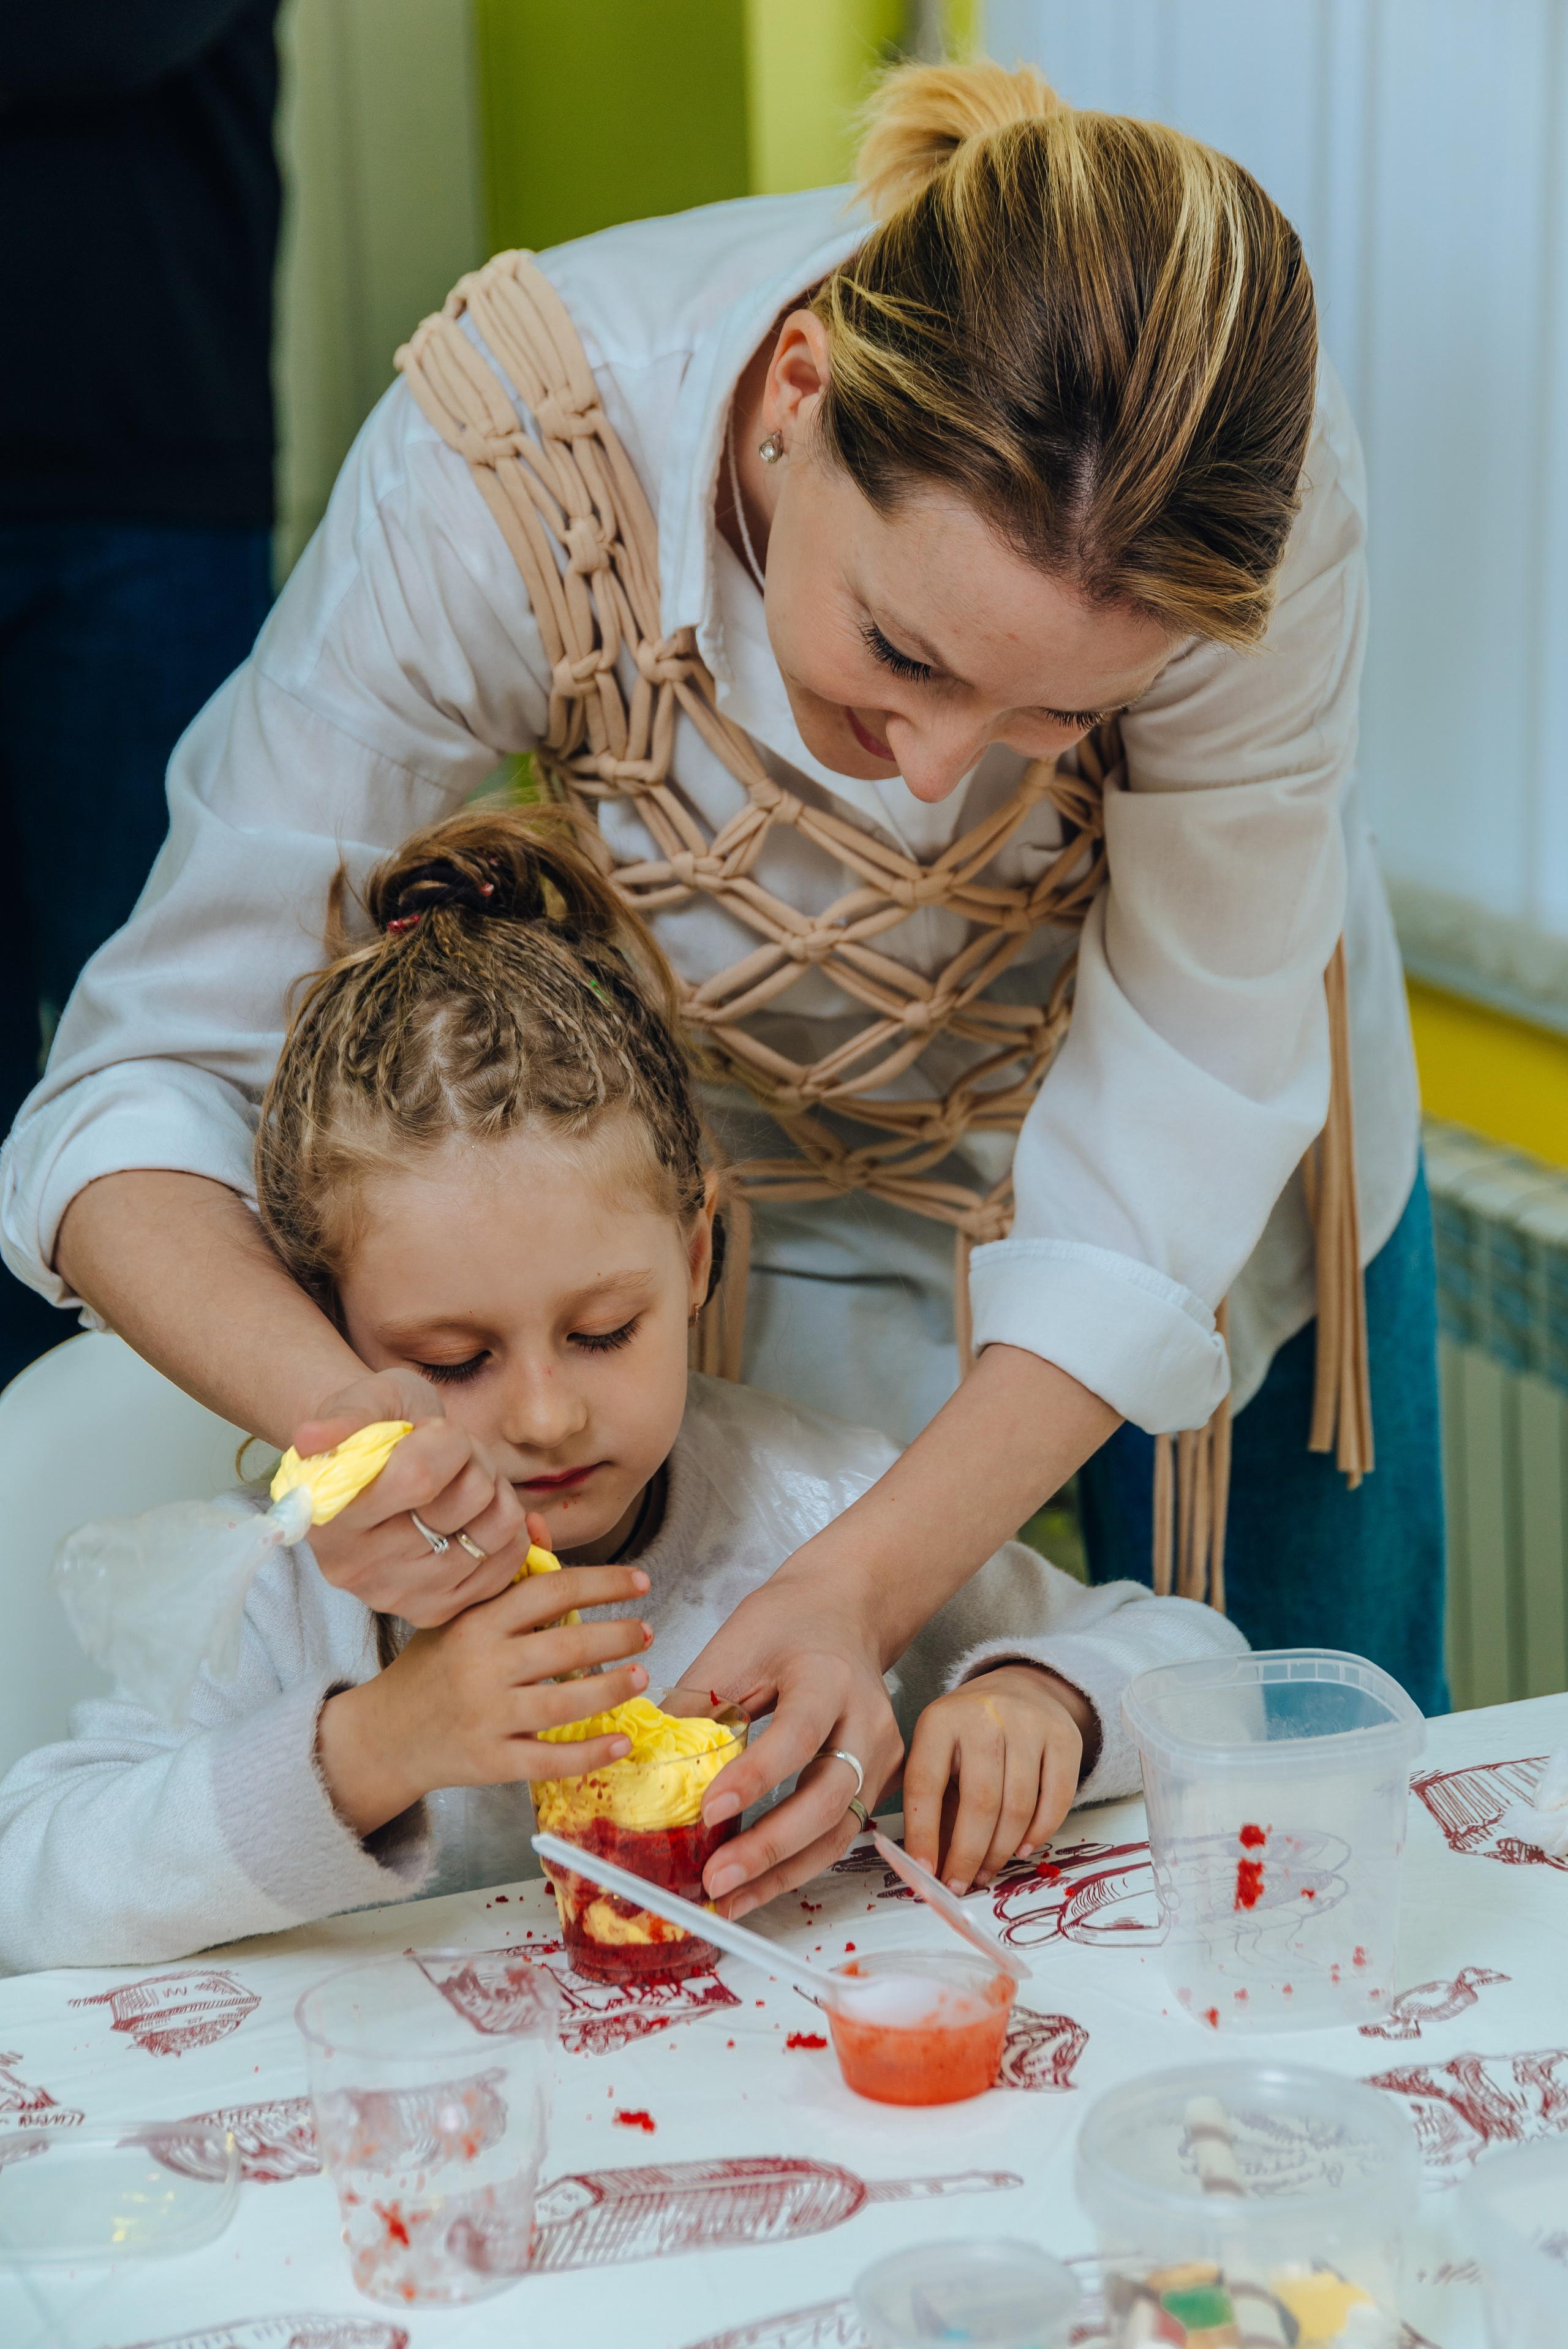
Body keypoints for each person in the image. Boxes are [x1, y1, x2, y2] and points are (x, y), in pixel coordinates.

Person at [0, 60, 1439, 1923]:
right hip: (749, 1175)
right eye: (899, 650)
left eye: (1060, 716)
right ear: (796, 396)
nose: (941, 774)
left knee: (1306, 1851)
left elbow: (1167, 1147)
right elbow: (145, 1078)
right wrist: (363, 1426)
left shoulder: (1242, 503)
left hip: (1210, 1191)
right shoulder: (505, 462)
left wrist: (877, 1592)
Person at [0, 810, 1245, 1972]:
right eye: (453, 1361)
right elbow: (34, 1883)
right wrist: (377, 1745)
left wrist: (1043, 1700)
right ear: (324, 1323)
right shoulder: (284, 1599)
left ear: (693, 1257)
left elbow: (1204, 1667)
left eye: (602, 1332)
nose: (546, 1415)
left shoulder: (813, 1505)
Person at [0, 1, 280, 1386]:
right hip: (141, 474)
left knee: (193, 1053)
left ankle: (223, 1436)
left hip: (148, 467)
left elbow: (116, 28)